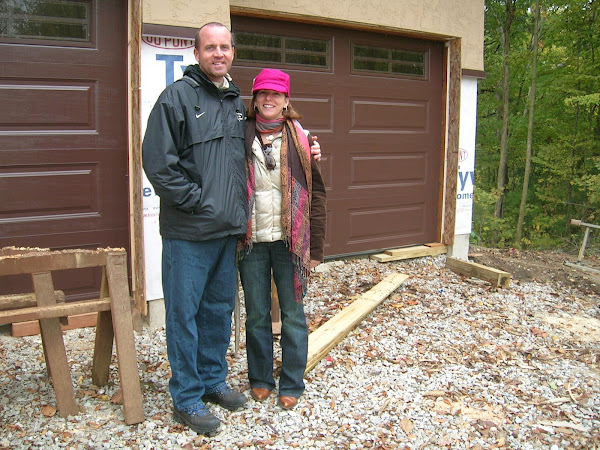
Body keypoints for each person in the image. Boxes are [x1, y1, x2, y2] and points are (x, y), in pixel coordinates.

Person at [142, 24, 322, 436]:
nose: (217, 53)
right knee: (184, 316)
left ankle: (211, 380)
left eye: (224, 47)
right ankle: (186, 397)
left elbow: (274, 132)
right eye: (210, 47)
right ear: (197, 52)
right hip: (189, 232)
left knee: (219, 312)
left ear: (233, 52)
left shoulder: (236, 103)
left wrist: (309, 145)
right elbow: (157, 162)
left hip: (228, 234)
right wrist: (197, 202)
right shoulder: (177, 99)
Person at [238, 69, 327, 410]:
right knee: (258, 314)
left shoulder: (302, 141)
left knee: (292, 314)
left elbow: (317, 194)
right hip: (252, 242)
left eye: (276, 94)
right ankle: (260, 378)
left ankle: (291, 381)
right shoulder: (240, 135)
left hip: (291, 243)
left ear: (287, 101)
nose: (269, 99)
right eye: (263, 93)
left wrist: (315, 248)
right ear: (255, 99)